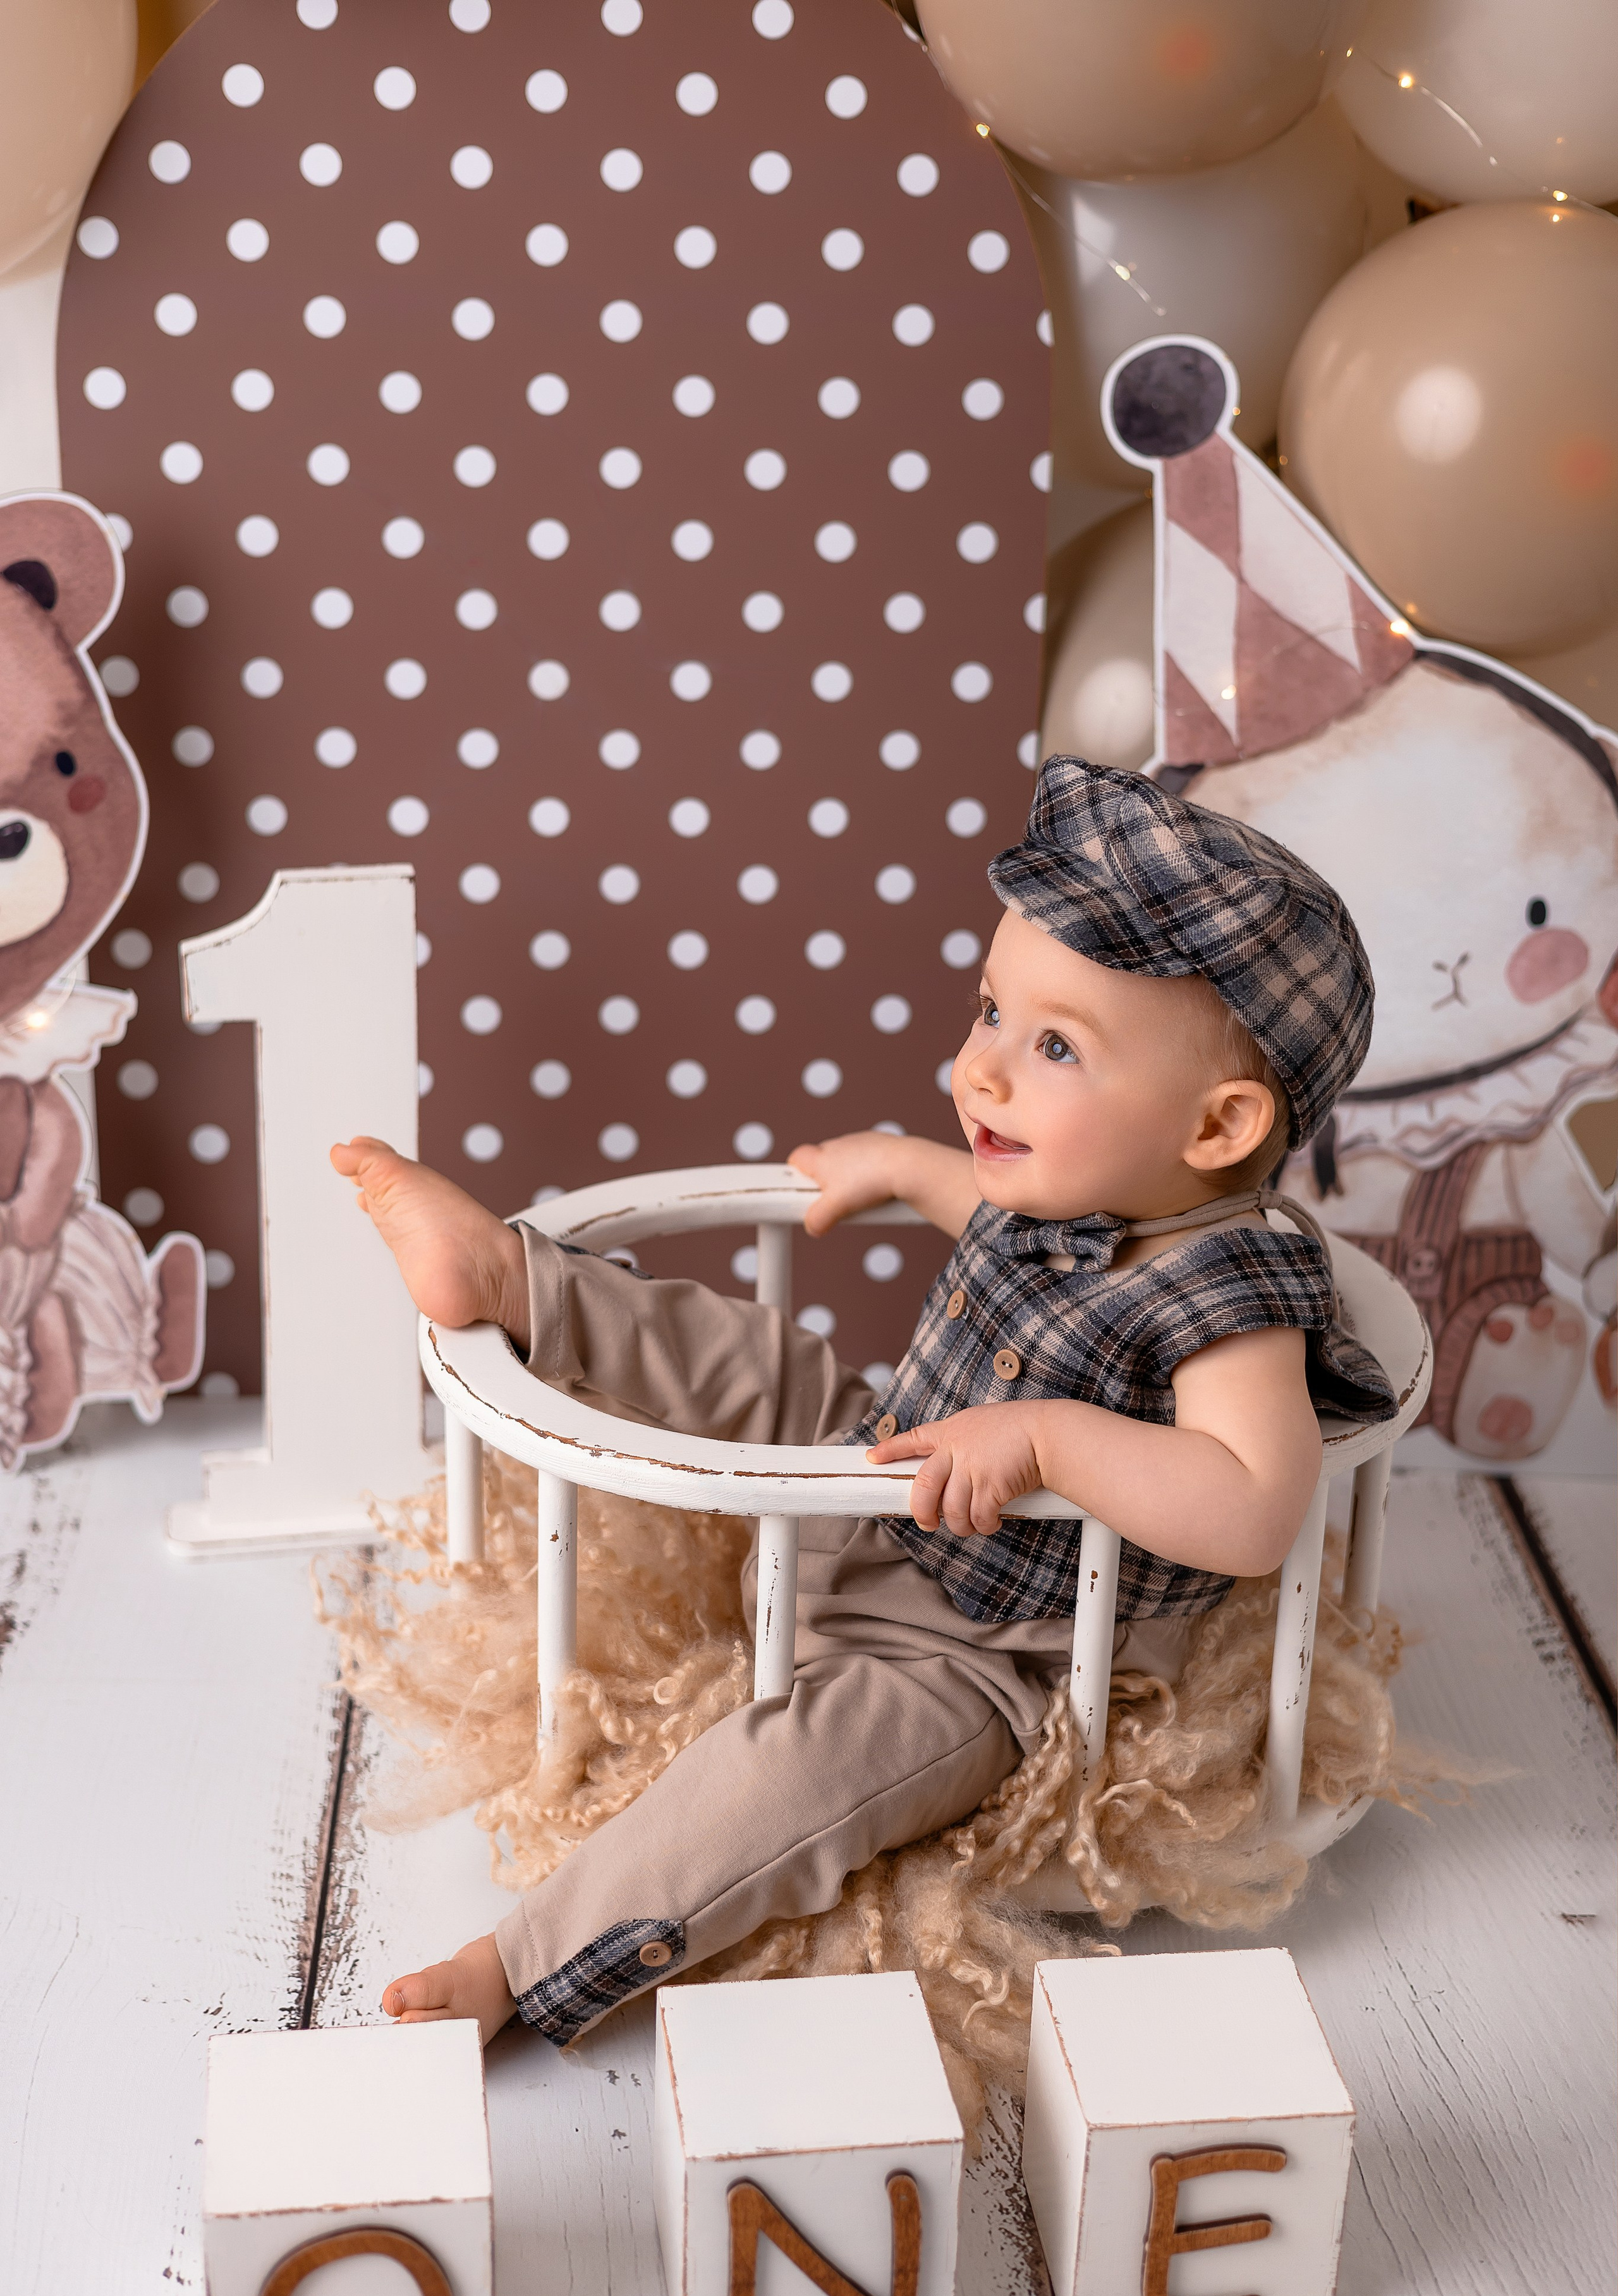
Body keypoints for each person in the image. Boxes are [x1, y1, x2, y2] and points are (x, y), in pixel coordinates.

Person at [331, 758, 1396, 2046]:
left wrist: (1052, 1438)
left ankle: (525, 1961)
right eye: (989, 1010)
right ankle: (511, 1278)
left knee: (791, 1774)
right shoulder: (1093, 1181)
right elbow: (996, 1210)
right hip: (877, 1459)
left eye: (1052, 1045)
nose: (984, 1068)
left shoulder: (1230, 1293)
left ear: (1218, 1127)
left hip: (987, 1649)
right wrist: (905, 1165)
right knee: (739, 1357)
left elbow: (1249, 1509)